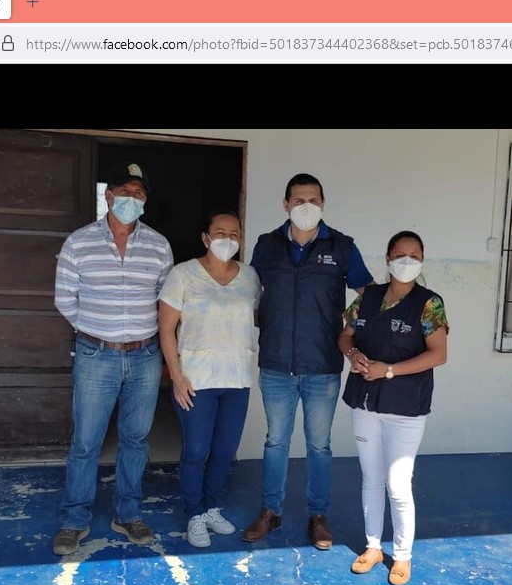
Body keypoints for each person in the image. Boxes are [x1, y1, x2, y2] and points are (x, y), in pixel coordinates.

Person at [243, 174, 374, 549]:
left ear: (323, 203)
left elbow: (368, 294)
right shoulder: (267, 245)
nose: (306, 206)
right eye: (298, 200)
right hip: (276, 364)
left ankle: (318, 515)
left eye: (313, 199)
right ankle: (271, 511)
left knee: (319, 445)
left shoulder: (342, 246)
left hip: (322, 366)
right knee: (275, 442)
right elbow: (247, 291)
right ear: (285, 204)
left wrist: (352, 333)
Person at [52, 162, 173, 555]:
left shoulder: (159, 245)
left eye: (139, 193)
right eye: (124, 192)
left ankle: (128, 513)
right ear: (108, 195)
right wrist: (95, 331)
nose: (131, 199)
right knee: (86, 440)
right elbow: (65, 299)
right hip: (96, 355)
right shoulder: (79, 243)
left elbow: (165, 301)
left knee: (136, 439)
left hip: (145, 355)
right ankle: (74, 519)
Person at [338, 231, 449, 585]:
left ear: (422, 261)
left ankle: (402, 556)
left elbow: (439, 354)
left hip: (406, 407)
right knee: (371, 478)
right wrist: (353, 354)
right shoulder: (367, 297)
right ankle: (373, 547)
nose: (406, 261)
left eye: (414, 256)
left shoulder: (429, 304)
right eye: (400, 255)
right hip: (365, 402)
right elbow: (345, 334)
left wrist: (388, 370)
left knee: (398, 483)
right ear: (387, 259)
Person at [158, 210, 261, 547]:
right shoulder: (183, 275)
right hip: (196, 379)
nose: (227, 239)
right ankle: (194, 514)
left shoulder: (250, 277)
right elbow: (166, 329)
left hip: (236, 378)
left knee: (224, 450)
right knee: (196, 450)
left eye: (234, 234)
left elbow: (255, 318)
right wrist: (176, 376)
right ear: (205, 238)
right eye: (220, 233)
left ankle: (211, 506)